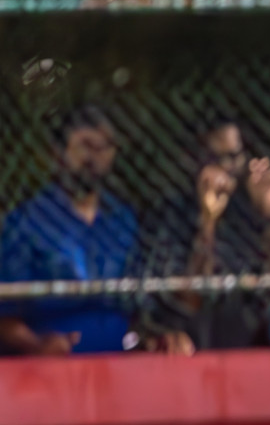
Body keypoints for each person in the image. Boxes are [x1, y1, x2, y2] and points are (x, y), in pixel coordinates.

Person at [0, 106, 193, 356]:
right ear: (57, 153)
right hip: (50, 371)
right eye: (84, 145)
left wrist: (155, 336)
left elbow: (140, 307)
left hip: (119, 367)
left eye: (104, 147)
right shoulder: (29, 222)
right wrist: (36, 345)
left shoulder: (123, 219)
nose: (94, 157)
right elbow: (4, 316)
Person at [142, 118, 270, 349]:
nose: (227, 167)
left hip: (247, 338)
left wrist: (268, 213)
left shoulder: (250, 210)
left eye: (235, 157)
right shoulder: (175, 212)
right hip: (192, 340)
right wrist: (207, 222)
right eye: (217, 159)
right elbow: (188, 300)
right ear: (196, 161)